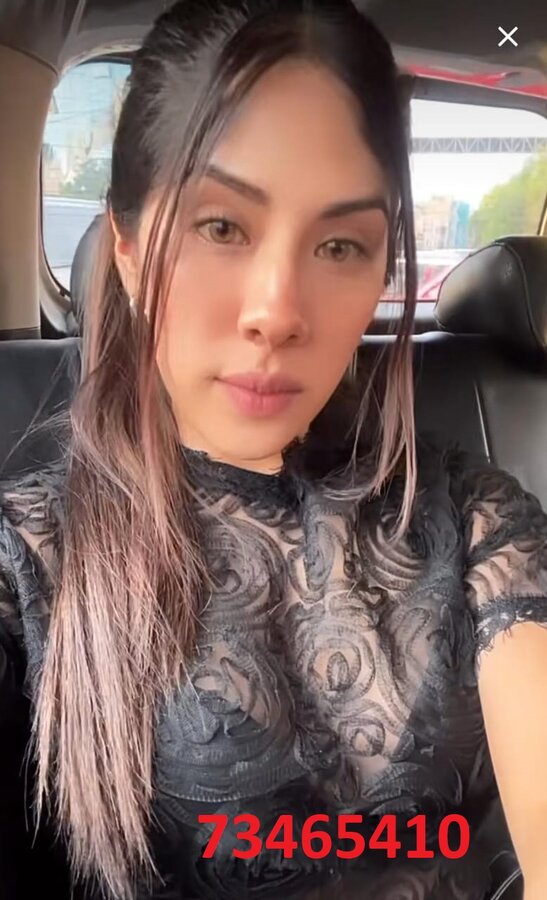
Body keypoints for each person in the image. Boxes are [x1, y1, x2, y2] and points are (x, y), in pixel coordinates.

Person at [0, 0, 546, 898]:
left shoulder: (475, 518)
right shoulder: (32, 563)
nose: (278, 312)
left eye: (338, 244)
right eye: (221, 227)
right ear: (128, 252)